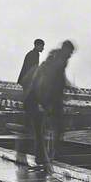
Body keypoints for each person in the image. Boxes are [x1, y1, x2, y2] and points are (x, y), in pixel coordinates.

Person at [24, 40, 74, 170]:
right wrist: (45, 103)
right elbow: (46, 82)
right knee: (47, 128)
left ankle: (47, 157)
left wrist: (68, 87)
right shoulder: (56, 62)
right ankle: (49, 157)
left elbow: (59, 79)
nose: (70, 55)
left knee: (48, 129)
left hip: (45, 98)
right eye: (70, 52)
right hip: (41, 98)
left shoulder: (56, 60)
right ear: (65, 50)